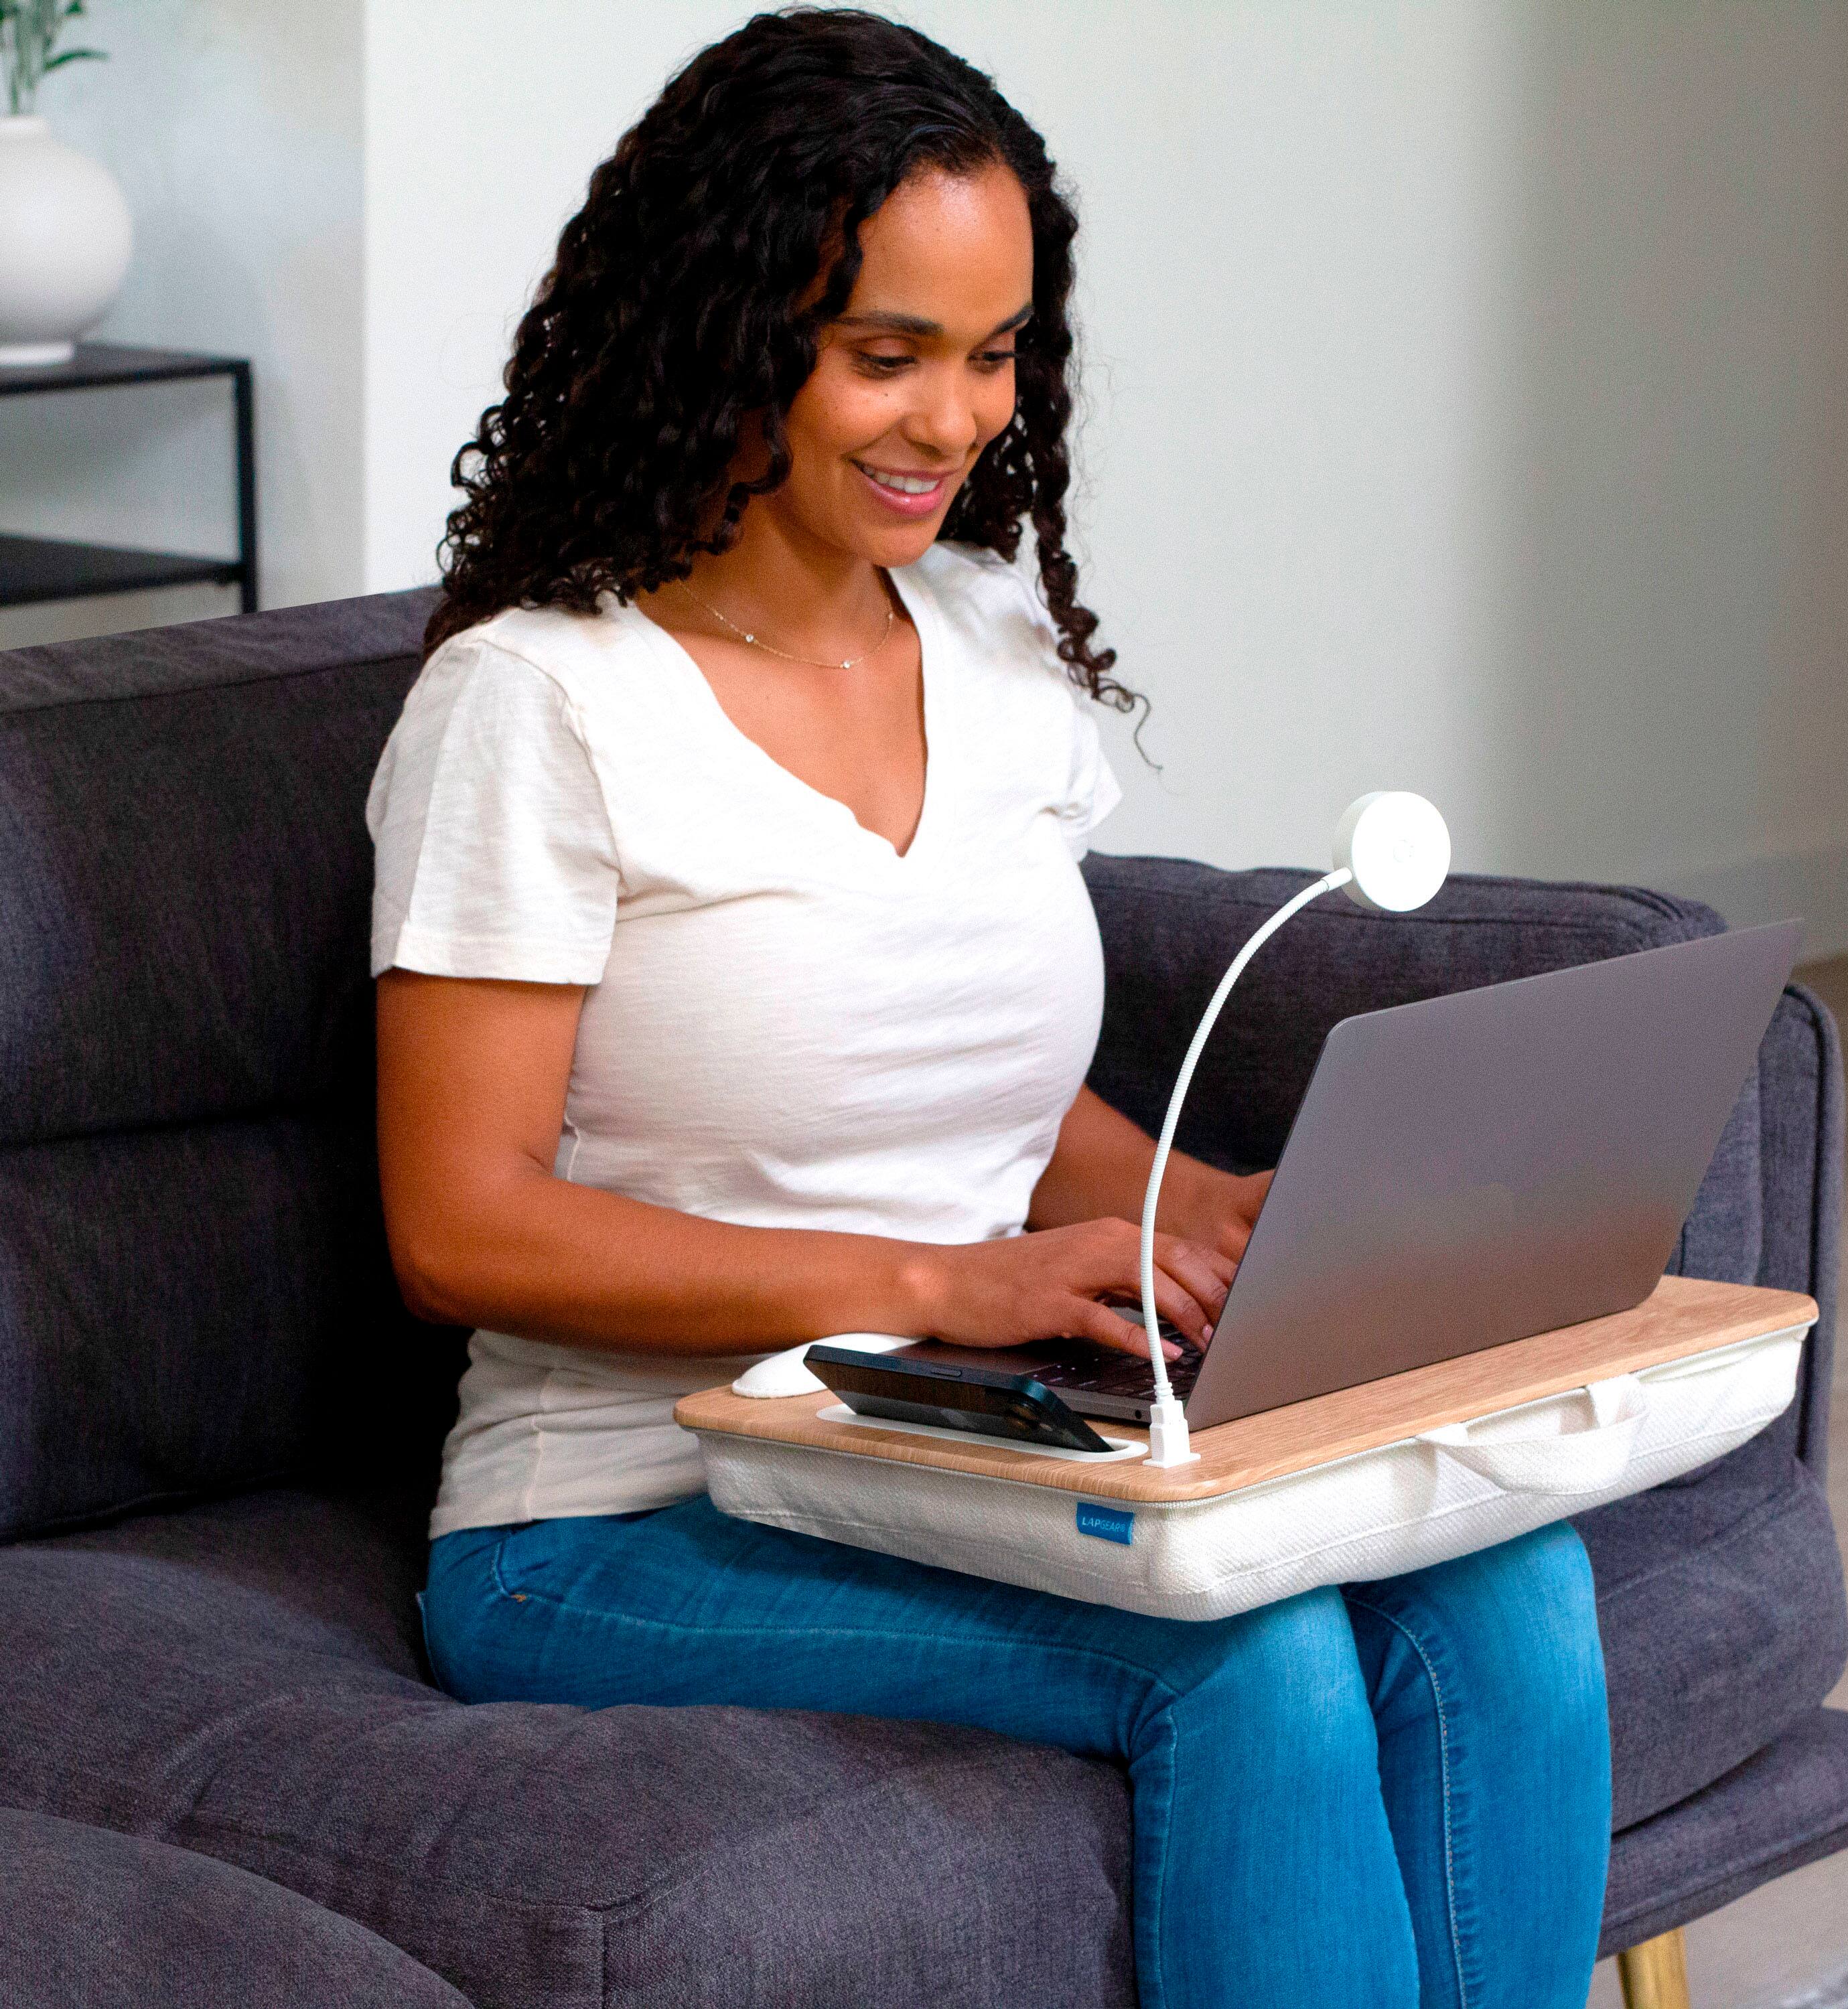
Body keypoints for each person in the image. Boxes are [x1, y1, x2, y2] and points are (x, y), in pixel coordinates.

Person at [368, 13, 1611, 2006]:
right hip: (622, 1503)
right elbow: (460, 1226)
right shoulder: (538, 703)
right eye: (886, 352)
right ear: (730, 326)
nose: (953, 418)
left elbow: (1000, 1100)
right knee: (1242, 1638)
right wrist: (950, 1287)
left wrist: (1201, 1205)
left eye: (994, 350)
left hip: (971, 1424)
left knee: (1506, 1572)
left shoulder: (989, 639)